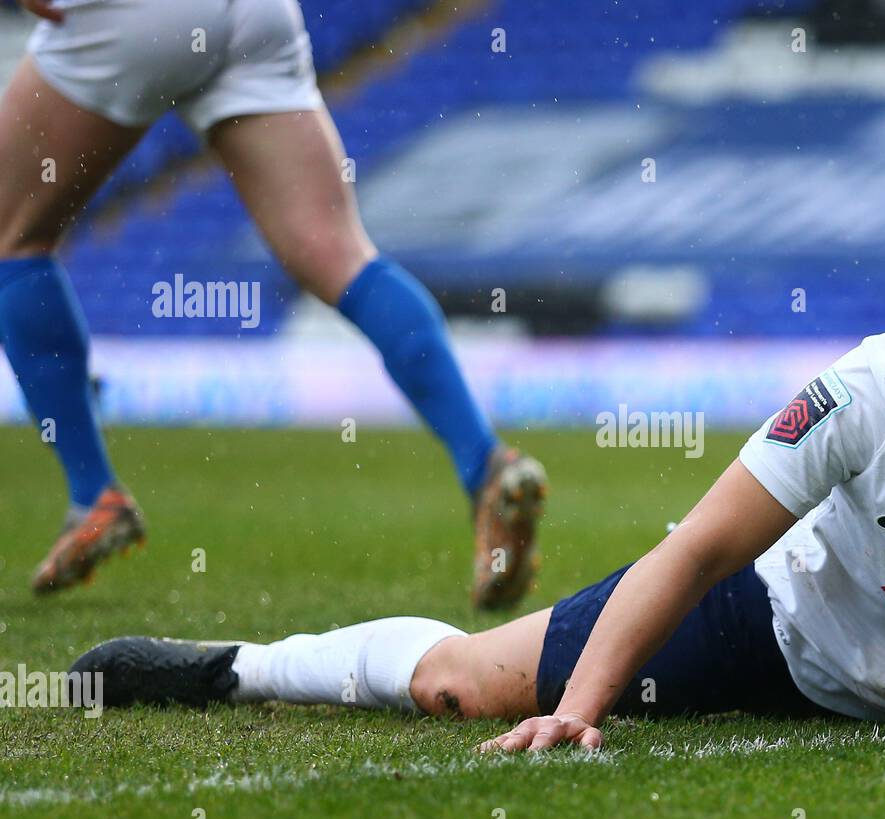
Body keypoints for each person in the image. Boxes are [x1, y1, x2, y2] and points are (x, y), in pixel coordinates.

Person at [70, 231, 885, 750]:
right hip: (780, 629)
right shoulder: (864, 392)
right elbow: (696, 553)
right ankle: (231, 667)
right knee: (458, 688)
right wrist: (577, 706)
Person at [0, 0, 545, 609]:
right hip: (258, 15)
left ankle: (92, 491)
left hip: (138, 14)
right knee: (341, 255)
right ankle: (483, 460)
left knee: (12, 236)